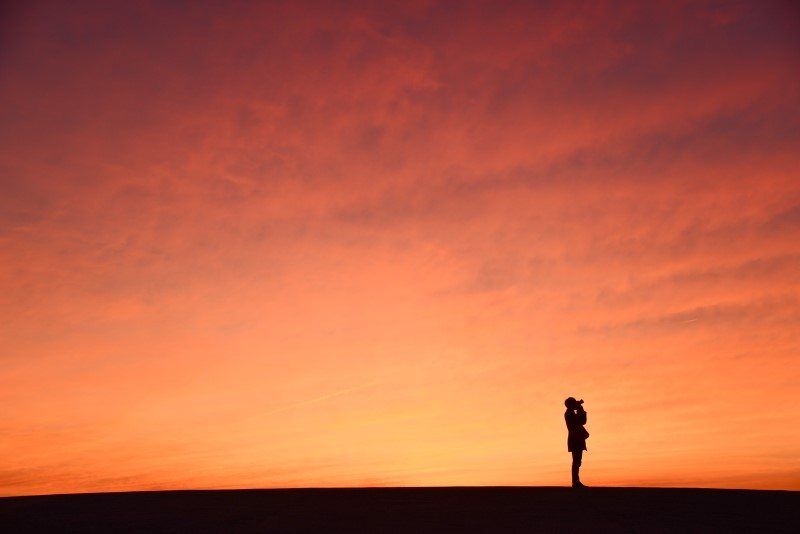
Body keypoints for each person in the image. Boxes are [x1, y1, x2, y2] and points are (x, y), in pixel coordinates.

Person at [564, 397, 589, 488]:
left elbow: (581, 422)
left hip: (576, 439)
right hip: (575, 439)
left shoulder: (570, 413)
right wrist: (580, 409)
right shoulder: (569, 414)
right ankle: (575, 482)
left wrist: (579, 409)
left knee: (577, 461)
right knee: (576, 461)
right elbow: (582, 421)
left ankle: (576, 481)